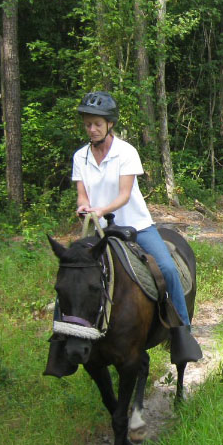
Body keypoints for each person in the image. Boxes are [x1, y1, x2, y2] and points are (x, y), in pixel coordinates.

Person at [72, 91, 202, 362]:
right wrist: (84, 206)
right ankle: (65, 337)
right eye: (87, 124)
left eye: (97, 123)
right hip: (99, 230)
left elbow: (124, 194)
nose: (92, 129)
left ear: (110, 124)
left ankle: (182, 333)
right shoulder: (80, 157)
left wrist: (101, 209)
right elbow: (82, 194)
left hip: (135, 226)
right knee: (71, 274)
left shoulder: (125, 152)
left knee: (167, 268)